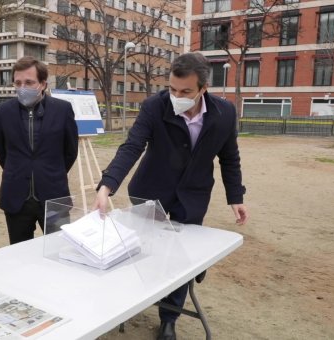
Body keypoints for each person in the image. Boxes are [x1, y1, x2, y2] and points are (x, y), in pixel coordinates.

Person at [93, 52, 249, 340]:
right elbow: (132, 146)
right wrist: (107, 185)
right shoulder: (155, 106)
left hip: (192, 197)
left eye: (186, 91)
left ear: (203, 88)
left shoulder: (224, 113)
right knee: (144, 253)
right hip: (149, 193)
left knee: (180, 260)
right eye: (173, 89)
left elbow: (230, 157)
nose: (177, 96)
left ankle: (169, 319)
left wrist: (235, 196)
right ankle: (137, 299)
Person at [0, 56, 79, 244]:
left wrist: (51, 171)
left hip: (54, 195)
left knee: (59, 250)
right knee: (19, 256)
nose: (22, 87)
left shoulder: (62, 110)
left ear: (42, 84)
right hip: (16, 197)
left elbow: (70, 151)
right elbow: (1, 152)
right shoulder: (3, 111)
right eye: (18, 82)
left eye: (29, 82)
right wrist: (20, 170)